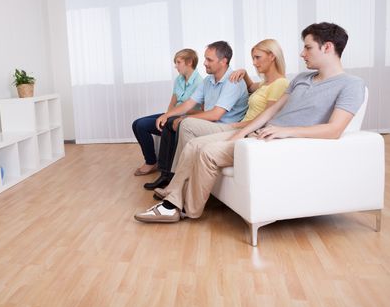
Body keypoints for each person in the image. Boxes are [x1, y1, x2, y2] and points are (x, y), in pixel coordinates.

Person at [134, 22, 365, 223]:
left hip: (277, 140)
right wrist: (239, 133)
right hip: (260, 132)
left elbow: (334, 129)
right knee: (195, 144)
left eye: (307, 47)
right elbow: (270, 111)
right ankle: (172, 201)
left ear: (327, 47)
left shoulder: (350, 84)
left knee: (207, 152)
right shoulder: (302, 79)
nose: (302, 53)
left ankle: (185, 210)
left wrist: (286, 132)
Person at [168, 39, 289, 175]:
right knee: (180, 124)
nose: (254, 62)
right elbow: (250, 87)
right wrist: (244, 73)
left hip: (243, 128)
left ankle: (179, 176)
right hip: (239, 126)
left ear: (272, 56)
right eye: (253, 58)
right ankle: (179, 176)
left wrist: (238, 126)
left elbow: (267, 119)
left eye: (257, 57)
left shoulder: (280, 84)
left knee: (186, 124)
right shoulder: (265, 83)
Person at [143, 41, 248, 190]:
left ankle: (181, 183)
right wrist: (167, 114)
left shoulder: (233, 81)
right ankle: (167, 175)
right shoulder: (208, 81)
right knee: (170, 122)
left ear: (223, 61)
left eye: (209, 60)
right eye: (205, 59)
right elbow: (188, 103)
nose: (204, 63)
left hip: (224, 127)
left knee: (184, 124)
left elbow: (216, 114)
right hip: (211, 124)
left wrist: (185, 118)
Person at [132, 49, 203, 176]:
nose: (175, 66)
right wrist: (167, 115)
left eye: (178, 62)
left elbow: (201, 110)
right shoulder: (179, 80)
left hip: (185, 118)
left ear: (189, 62)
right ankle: (152, 160)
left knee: (142, 126)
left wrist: (176, 115)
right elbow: (173, 102)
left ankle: (151, 162)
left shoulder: (200, 82)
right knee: (136, 123)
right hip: (173, 115)